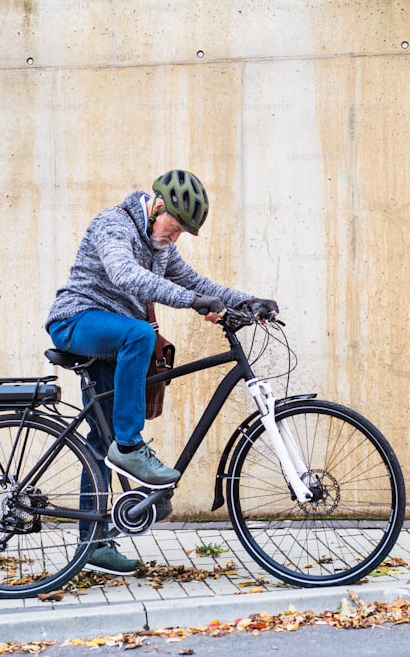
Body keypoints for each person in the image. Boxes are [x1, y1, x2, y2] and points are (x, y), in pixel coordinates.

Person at [45, 169, 278, 574]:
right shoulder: (113, 224)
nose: (177, 236)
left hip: (111, 338)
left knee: (101, 438)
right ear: (156, 207)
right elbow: (125, 275)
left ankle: (94, 544)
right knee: (138, 335)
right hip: (76, 320)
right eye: (176, 226)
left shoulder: (161, 244)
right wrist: (192, 302)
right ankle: (132, 448)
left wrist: (248, 300)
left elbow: (193, 280)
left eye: (184, 231)